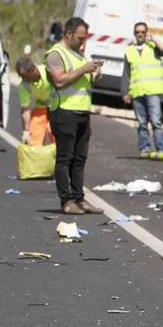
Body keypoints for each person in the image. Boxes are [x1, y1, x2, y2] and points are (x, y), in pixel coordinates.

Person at [45, 17, 104, 215]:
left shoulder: (79, 55)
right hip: (64, 112)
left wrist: (93, 75)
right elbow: (60, 81)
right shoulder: (55, 54)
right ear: (68, 34)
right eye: (79, 38)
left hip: (81, 112)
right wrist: (83, 69)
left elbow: (80, 81)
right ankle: (67, 201)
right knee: (65, 159)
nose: (82, 42)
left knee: (80, 158)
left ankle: (79, 198)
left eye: (84, 38)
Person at [121, 22, 163, 160]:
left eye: (143, 32)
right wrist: (125, 92)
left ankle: (160, 149)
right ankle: (145, 149)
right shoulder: (129, 51)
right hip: (137, 92)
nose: (140, 34)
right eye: (138, 32)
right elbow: (126, 73)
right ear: (134, 34)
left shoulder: (153, 47)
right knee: (142, 123)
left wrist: (154, 39)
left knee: (155, 121)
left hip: (152, 91)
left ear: (146, 32)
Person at [15, 56, 54, 146]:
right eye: (22, 76)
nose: (24, 79)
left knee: (56, 136)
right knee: (34, 139)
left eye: (26, 76)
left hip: (57, 109)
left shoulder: (48, 72)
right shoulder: (24, 85)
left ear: (34, 70)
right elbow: (25, 110)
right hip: (41, 109)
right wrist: (26, 131)